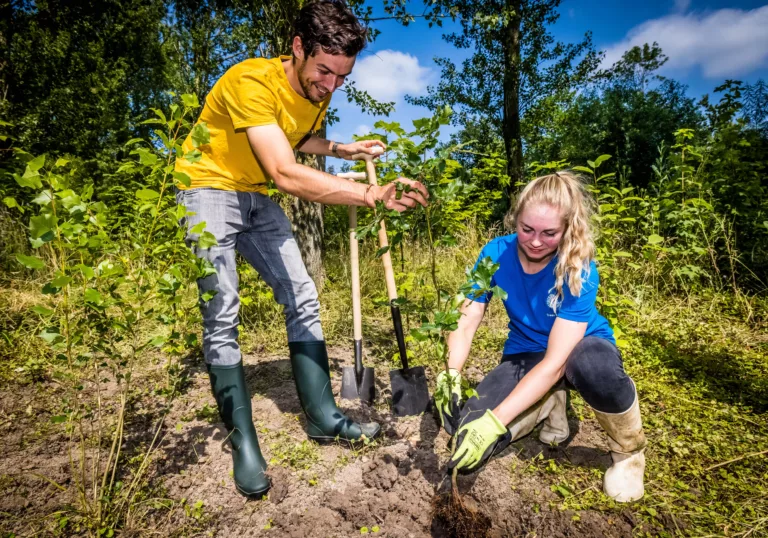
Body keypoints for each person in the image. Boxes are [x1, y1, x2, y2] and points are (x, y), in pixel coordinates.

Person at [174, 0, 429, 499]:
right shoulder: (251, 81)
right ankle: (243, 440)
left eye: (342, 76)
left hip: (254, 195)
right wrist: (371, 194)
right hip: (206, 188)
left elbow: (299, 138)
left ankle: (322, 416)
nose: (331, 85)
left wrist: (343, 150)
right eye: (325, 71)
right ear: (297, 47)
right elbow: (285, 172)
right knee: (222, 311)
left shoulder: (318, 89)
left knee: (303, 293)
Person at [435, 171, 646, 503]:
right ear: (515, 219)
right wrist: (452, 371)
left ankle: (628, 453)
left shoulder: (578, 266)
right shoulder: (494, 253)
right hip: (525, 352)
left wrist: (498, 420)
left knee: (592, 366)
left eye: (549, 233)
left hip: (578, 349)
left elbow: (555, 363)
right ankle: (549, 401)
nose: (535, 241)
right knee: (467, 432)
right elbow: (467, 317)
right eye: (526, 229)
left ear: (567, 230)